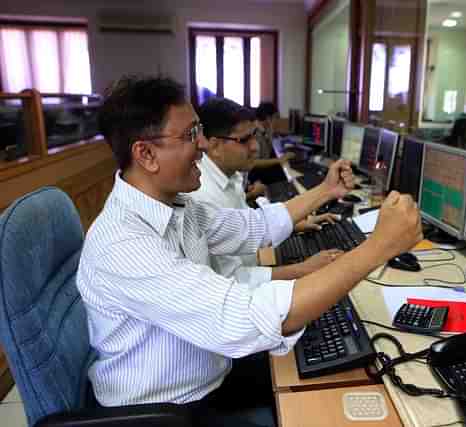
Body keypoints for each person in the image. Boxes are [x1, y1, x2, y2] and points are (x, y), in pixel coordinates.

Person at [77, 75, 422, 427]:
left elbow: (250, 228)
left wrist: (324, 190)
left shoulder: (177, 207)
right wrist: (378, 247)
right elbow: (245, 318)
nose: (202, 145)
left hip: (208, 373)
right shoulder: (123, 244)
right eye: (189, 135)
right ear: (146, 154)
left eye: (198, 129)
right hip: (166, 413)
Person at [192, 96, 342, 286]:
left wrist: (293, 223)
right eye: (245, 140)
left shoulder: (230, 174)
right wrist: (302, 269)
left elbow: (246, 225)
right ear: (214, 146)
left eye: (254, 135)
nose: (255, 147)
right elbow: (232, 280)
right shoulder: (203, 196)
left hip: (255, 266)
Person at [247, 101, 294, 189]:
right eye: (276, 117)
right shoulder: (254, 133)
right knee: (283, 174)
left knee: (284, 170)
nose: (278, 120)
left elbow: (270, 139)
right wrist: (279, 160)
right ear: (268, 118)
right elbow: (253, 162)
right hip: (255, 172)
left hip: (262, 167)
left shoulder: (265, 129)